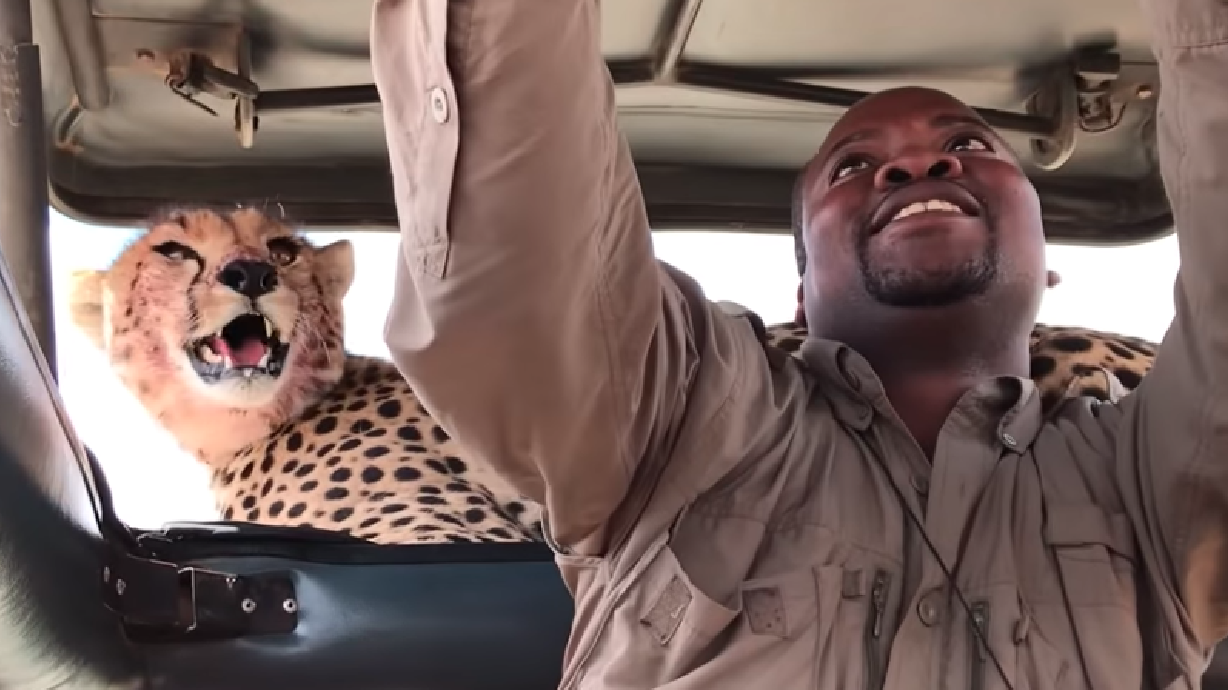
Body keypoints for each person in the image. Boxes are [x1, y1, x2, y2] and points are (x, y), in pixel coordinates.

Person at [370, 0, 1228, 687]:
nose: (916, 165)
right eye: (854, 166)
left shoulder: (1148, 486)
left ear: (1047, 269)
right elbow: (523, 272)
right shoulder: (684, 416)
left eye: (967, 145)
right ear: (801, 292)